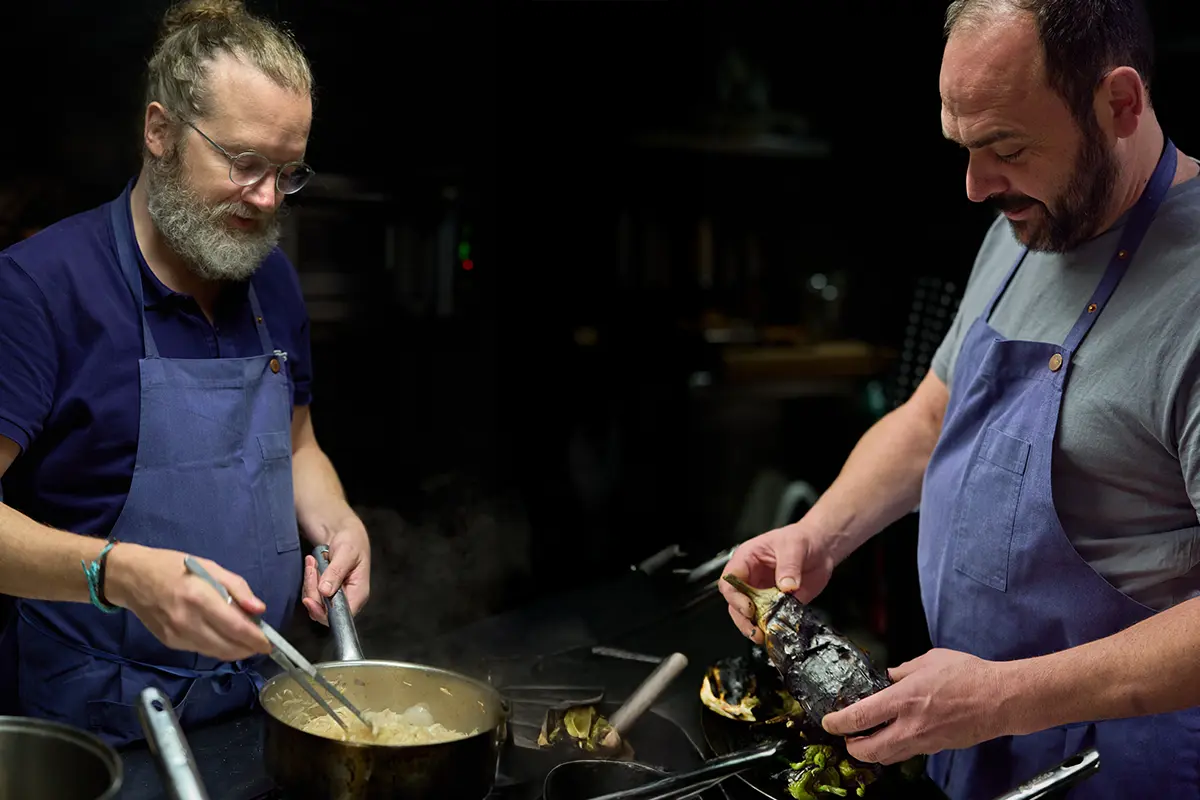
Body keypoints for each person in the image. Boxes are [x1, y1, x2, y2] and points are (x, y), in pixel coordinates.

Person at [721, 1, 1200, 798]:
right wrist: (819, 534)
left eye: (1005, 147)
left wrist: (1003, 697)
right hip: (976, 746)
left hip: (1125, 769)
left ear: (1120, 104)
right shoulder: (1030, 221)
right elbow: (931, 417)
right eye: (966, 148)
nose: (976, 186)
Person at [0, 0, 371, 747]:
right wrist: (120, 575)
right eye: (244, 164)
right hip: (100, 733)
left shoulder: (273, 283)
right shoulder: (37, 290)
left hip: (264, 711)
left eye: (287, 173)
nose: (268, 200)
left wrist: (337, 520)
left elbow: (299, 448)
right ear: (160, 131)